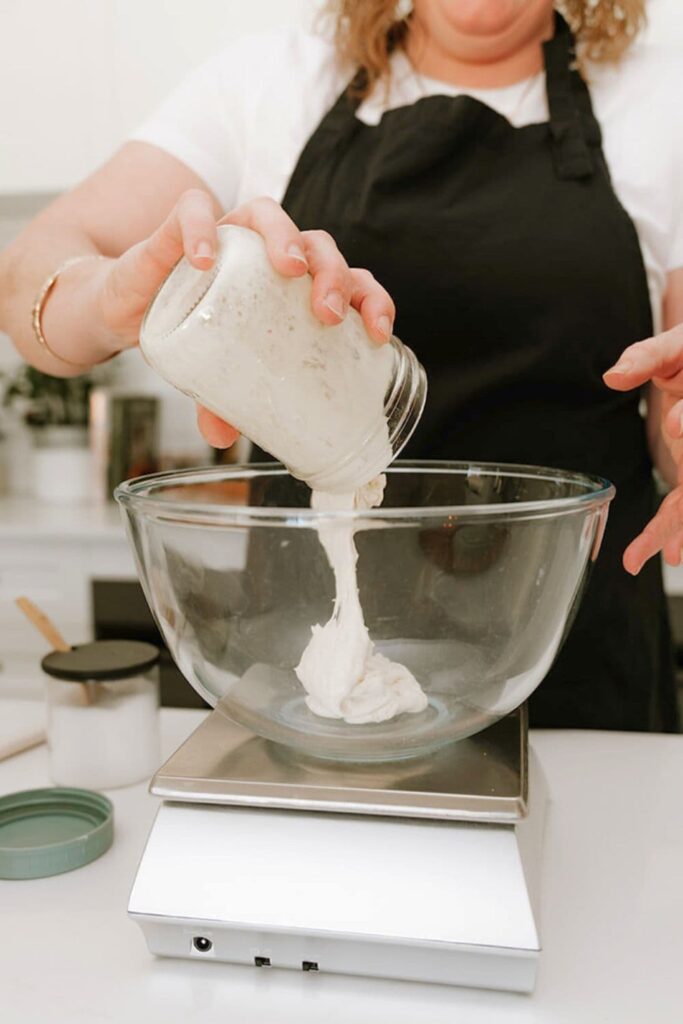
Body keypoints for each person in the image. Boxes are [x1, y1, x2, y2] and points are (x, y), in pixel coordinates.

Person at [1, 0, 682, 731]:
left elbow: (667, 414)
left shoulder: (659, 100)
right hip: (302, 675)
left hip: (571, 662)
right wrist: (110, 299)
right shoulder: (269, 83)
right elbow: (26, 282)